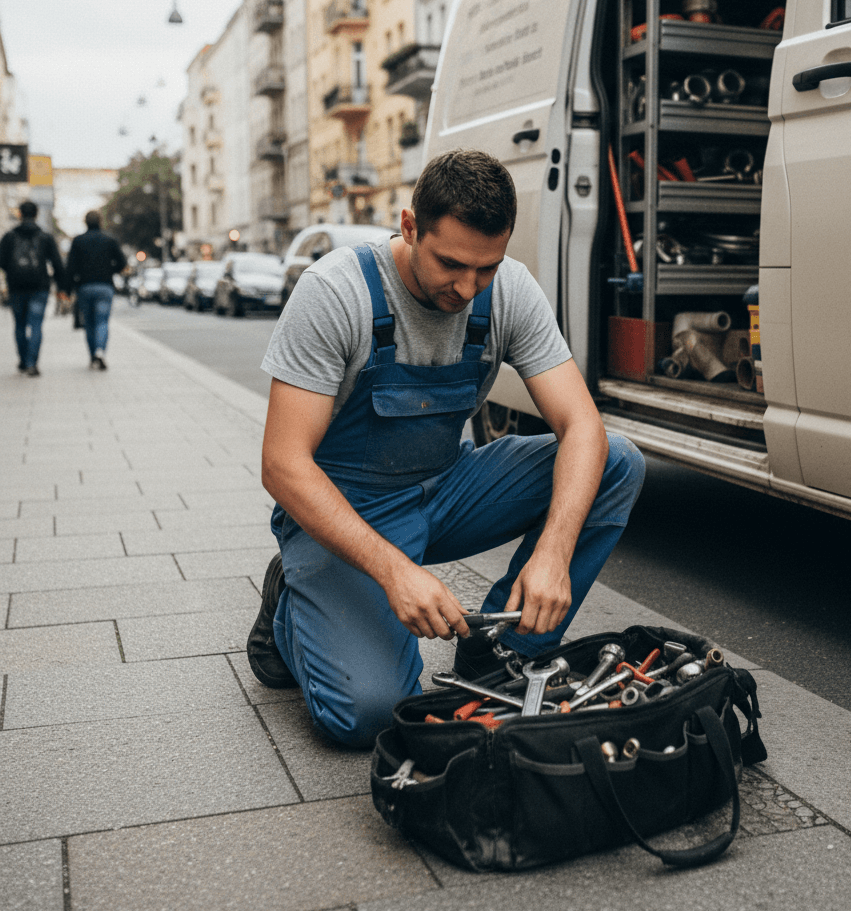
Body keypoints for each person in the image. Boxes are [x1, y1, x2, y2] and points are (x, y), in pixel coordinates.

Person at [248, 149, 645, 747]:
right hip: (348, 509)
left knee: (616, 459)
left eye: (486, 267)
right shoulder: (334, 292)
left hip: (445, 490)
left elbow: (581, 425)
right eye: (451, 263)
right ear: (410, 227)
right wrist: (394, 572)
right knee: (370, 715)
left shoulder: (506, 287)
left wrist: (554, 554)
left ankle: (500, 656)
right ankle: (290, 608)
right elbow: (282, 464)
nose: (467, 287)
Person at [0, 200, 66, 376]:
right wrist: (62, 287)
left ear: (20, 214)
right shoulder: (45, 237)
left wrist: (12, 274)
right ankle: (32, 363)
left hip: (16, 287)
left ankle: (22, 360)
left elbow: (2, 262)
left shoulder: (9, 237)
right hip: (39, 288)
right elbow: (57, 264)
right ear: (36, 214)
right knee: (36, 325)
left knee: (19, 325)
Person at [66, 210, 128, 369]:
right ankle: (100, 351)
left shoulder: (78, 241)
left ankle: (93, 355)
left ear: (85, 222)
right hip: (104, 286)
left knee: (89, 323)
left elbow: (70, 267)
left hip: (85, 286)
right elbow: (122, 263)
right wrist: (109, 270)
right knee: (102, 321)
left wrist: (68, 288)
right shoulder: (110, 240)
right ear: (101, 221)